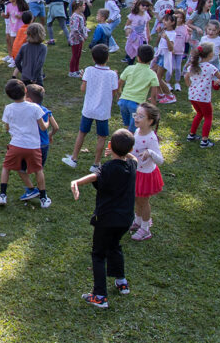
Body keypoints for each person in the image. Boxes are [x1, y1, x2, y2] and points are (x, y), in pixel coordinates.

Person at [69, 129, 137, 308]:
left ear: (109, 146)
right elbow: (134, 158)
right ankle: (121, 282)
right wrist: (124, 152)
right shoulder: (131, 165)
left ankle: (99, 296)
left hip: (106, 220)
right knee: (115, 246)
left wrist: (76, 182)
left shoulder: (107, 168)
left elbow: (94, 176)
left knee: (98, 254)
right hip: (125, 220)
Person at [0, 78, 52, 208]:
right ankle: (43, 198)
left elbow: (7, 127)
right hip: (33, 146)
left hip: (15, 145)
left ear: (9, 95)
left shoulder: (8, 108)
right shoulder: (35, 107)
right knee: (38, 170)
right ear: (25, 91)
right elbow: (43, 127)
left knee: (6, 167)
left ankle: (3, 195)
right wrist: (47, 120)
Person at [63, 44, 119, 172]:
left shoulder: (88, 70)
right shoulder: (111, 74)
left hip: (88, 109)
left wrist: (84, 80)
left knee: (82, 133)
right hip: (103, 111)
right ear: (108, 58)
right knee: (101, 137)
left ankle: (74, 158)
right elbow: (114, 91)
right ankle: (96, 164)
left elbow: (83, 89)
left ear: (93, 58)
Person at [128, 103, 163, 241]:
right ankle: (138, 221)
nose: (136, 118)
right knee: (137, 199)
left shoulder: (151, 138)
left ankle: (145, 229)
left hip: (146, 175)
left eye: (141, 116)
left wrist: (150, 153)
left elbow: (160, 160)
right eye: (136, 115)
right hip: (137, 172)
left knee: (143, 202)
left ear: (150, 121)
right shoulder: (137, 131)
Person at [185, 44, 220, 146]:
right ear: (210, 54)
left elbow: (186, 77)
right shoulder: (211, 67)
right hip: (203, 98)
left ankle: (191, 134)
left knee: (199, 113)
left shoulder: (193, 66)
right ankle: (204, 141)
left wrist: (189, 86)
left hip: (192, 96)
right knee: (208, 117)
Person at [118, 45, 160, 132]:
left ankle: (127, 141)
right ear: (151, 59)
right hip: (136, 106)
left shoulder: (129, 68)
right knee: (133, 130)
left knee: (128, 126)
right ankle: (130, 144)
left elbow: (119, 84)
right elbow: (154, 96)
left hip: (123, 102)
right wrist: (153, 111)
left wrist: (120, 94)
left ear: (138, 57)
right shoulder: (152, 74)